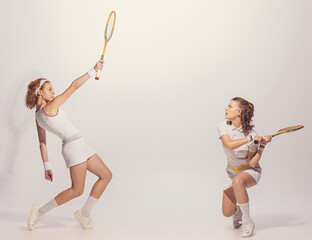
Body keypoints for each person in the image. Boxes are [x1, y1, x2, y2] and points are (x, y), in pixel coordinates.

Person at [25, 60, 112, 230]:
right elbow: (73, 87)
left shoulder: (38, 116)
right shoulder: (49, 108)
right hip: (74, 146)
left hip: (79, 144)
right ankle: (40, 212)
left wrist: (47, 166)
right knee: (77, 190)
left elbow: (42, 144)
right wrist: (93, 70)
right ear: (39, 93)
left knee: (106, 175)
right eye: (49, 89)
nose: (53, 92)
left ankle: (84, 213)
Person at [218, 97, 271, 237]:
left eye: (230, 106)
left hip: (249, 171)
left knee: (238, 182)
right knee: (227, 212)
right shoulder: (223, 125)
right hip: (231, 171)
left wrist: (262, 146)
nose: (226, 108)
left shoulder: (252, 134)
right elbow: (229, 144)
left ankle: (248, 221)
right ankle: (238, 211)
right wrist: (250, 140)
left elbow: (252, 163)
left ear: (238, 112)